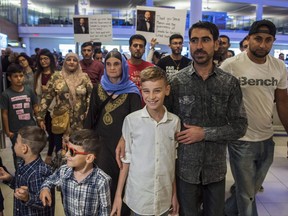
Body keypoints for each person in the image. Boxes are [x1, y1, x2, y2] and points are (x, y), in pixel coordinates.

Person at [164, 21, 247, 216]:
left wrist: (204, 133)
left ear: (216, 44)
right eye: (194, 40)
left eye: (205, 40)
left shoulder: (229, 83)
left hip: (215, 171)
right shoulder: (176, 82)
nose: (199, 46)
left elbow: (240, 126)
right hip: (185, 172)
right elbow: (163, 122)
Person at [221, 19, 288, 216]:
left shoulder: (278, 67)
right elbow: (219, 99)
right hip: (241, 139)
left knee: (250, 189)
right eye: (258, 39)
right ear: (248, 39)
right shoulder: (231, 65)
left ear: (273, 41)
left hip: (267, 139)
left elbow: (283, 102)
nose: (262, 44)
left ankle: (225, 212)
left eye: (268, 40)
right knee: (246, 194)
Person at [111, 66, 181, 216]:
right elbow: (126, 160)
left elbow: (172, 161)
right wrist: (118, 196)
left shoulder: (174, 122)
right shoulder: (131, 121)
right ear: (141, 91)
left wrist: (174, 194)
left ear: (167, 90)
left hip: (164, 197)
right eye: (146, 91)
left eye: (157, 90)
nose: (151, 96)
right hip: (139, 197)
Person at [84, 50, 142, 215]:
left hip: (122, 147)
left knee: (120, 184)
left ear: (123, 66)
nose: (112, 67)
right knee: (102, 184)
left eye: (116, 64)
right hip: (101, 146)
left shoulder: (132, 92)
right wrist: (85, 146)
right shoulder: (98, 88)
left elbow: (137, 123)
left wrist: (125, 139)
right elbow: (90, 118)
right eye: (108, 64)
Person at [40, 129, 111, 215]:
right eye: (66, 148)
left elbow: (104, 211)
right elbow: (49, 180)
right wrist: (45, 188)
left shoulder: (102, 181)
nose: (66, 154)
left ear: (89, 158)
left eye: (72, 152)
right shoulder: (64, 171)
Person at [37, 52, 93, 157]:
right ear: (64, 62)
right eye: (68, 59)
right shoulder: (56, 76)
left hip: (80, 121)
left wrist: (88, 115)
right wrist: (41, 117)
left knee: (79, 152)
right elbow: (47, 97)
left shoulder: (84, 77)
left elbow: (90, 97)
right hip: (61, 121)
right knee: (61, 152)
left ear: (78, 62)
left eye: (74, 60)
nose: (71, 62)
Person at [0, 126, 55, 215]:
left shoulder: (39, 173)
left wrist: (27, 197)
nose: (14, 144)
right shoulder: (23, 164)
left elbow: (44, 202)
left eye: (16, 142)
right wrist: (9, 178)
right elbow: (20, 187)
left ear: (24, 148)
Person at [0, 63, 38, 169]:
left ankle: (32, 173)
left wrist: (39, 120)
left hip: (30, 128)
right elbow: (4, 114)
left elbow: (35, 106)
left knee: (32, 151)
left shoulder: (29, 90)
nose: (19, 79)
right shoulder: (6, 94)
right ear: (9, 78)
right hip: (15, 130)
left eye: (21, 76)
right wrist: (7, 131)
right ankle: (20, 175)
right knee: (18, 154)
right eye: (15, 76)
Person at [34, 49, 57, 165]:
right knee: (47, 131)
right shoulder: (38, 75)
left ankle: (49, 155)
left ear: (50, 60)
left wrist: (48, 90)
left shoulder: (57, 74)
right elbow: (36, 94)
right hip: (42, 108)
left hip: (55, 108)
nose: (43, 61)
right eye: (41, 59)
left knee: (54, 132)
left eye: (46, 59)